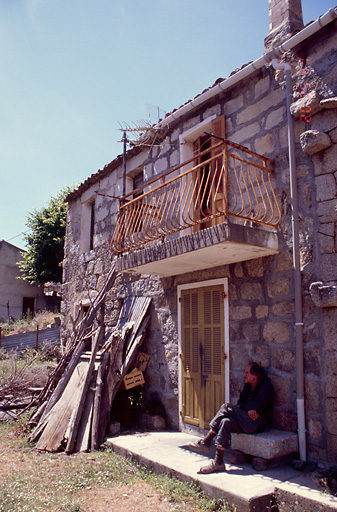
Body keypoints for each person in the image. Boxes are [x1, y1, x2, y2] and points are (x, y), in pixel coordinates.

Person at [188, 362, 274, 474]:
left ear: (255, 375)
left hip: (257, 423)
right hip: (245, 420)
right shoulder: (248, 387)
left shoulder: (266, 386)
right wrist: (249, 409)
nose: (244, 375)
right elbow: (240, 404)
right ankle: (218, 462)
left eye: (247, 373)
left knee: (227, 407)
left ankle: (207, 441)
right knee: (225, 422)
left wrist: (249, 408)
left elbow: (260, 406)